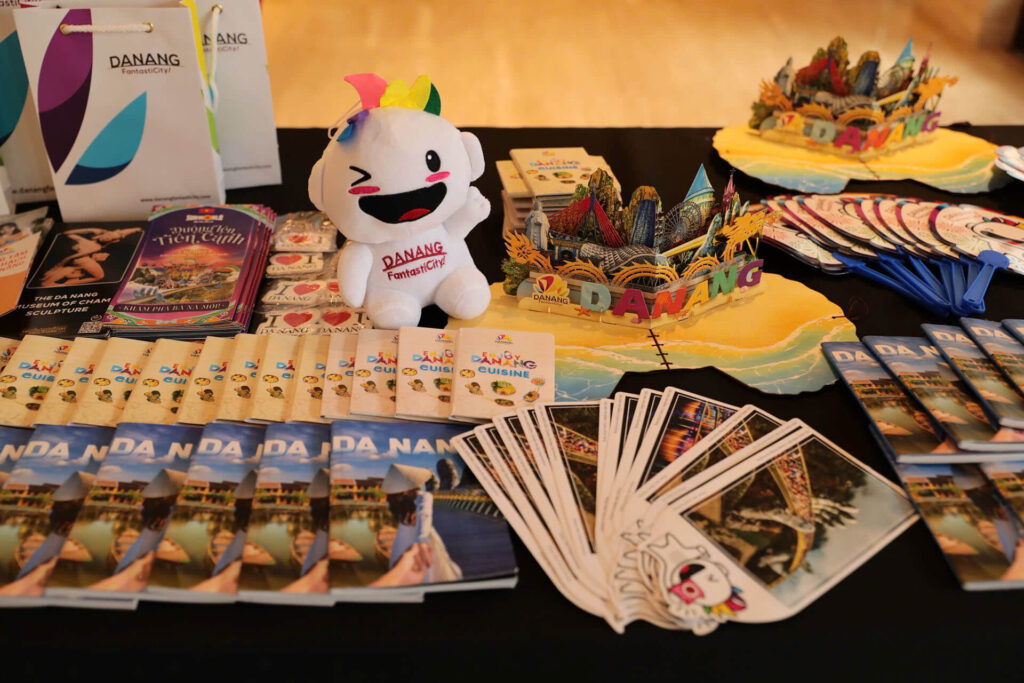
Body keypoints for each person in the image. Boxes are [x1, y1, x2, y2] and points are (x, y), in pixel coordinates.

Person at [381, 463, 462, 584]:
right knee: (429, 571)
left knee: (402, 563)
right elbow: (424, 515)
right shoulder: (423, 496)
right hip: (421, 534)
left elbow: (419, 515)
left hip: (403, 535)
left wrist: (420, 539)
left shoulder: (392, 501)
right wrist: (421, 540)